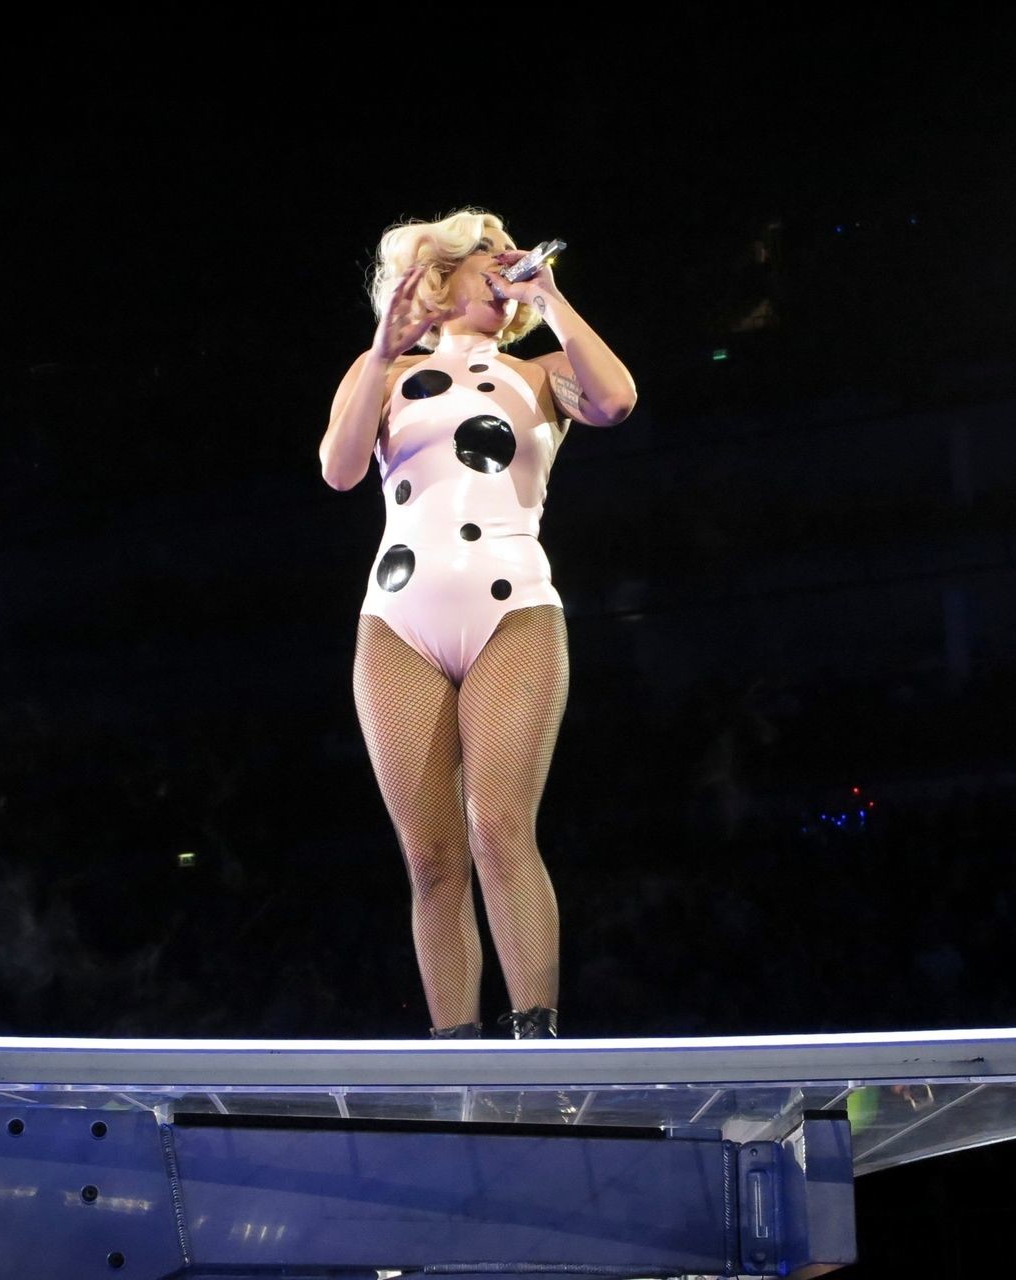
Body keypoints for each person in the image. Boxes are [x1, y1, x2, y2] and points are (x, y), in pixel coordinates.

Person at [318, 208, 636, 1038]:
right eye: (487, 251)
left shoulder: (541, 372)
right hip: (399, 619)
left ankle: (536, 1042)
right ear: (440, 274)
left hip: (511, 609)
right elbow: (339, 470)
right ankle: (457, 1062)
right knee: (430, 858)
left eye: (509, 251)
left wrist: (552, 299)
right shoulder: (383, 371)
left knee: (497, 826)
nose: (506, 259)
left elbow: (616, 400)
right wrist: (382, 353)